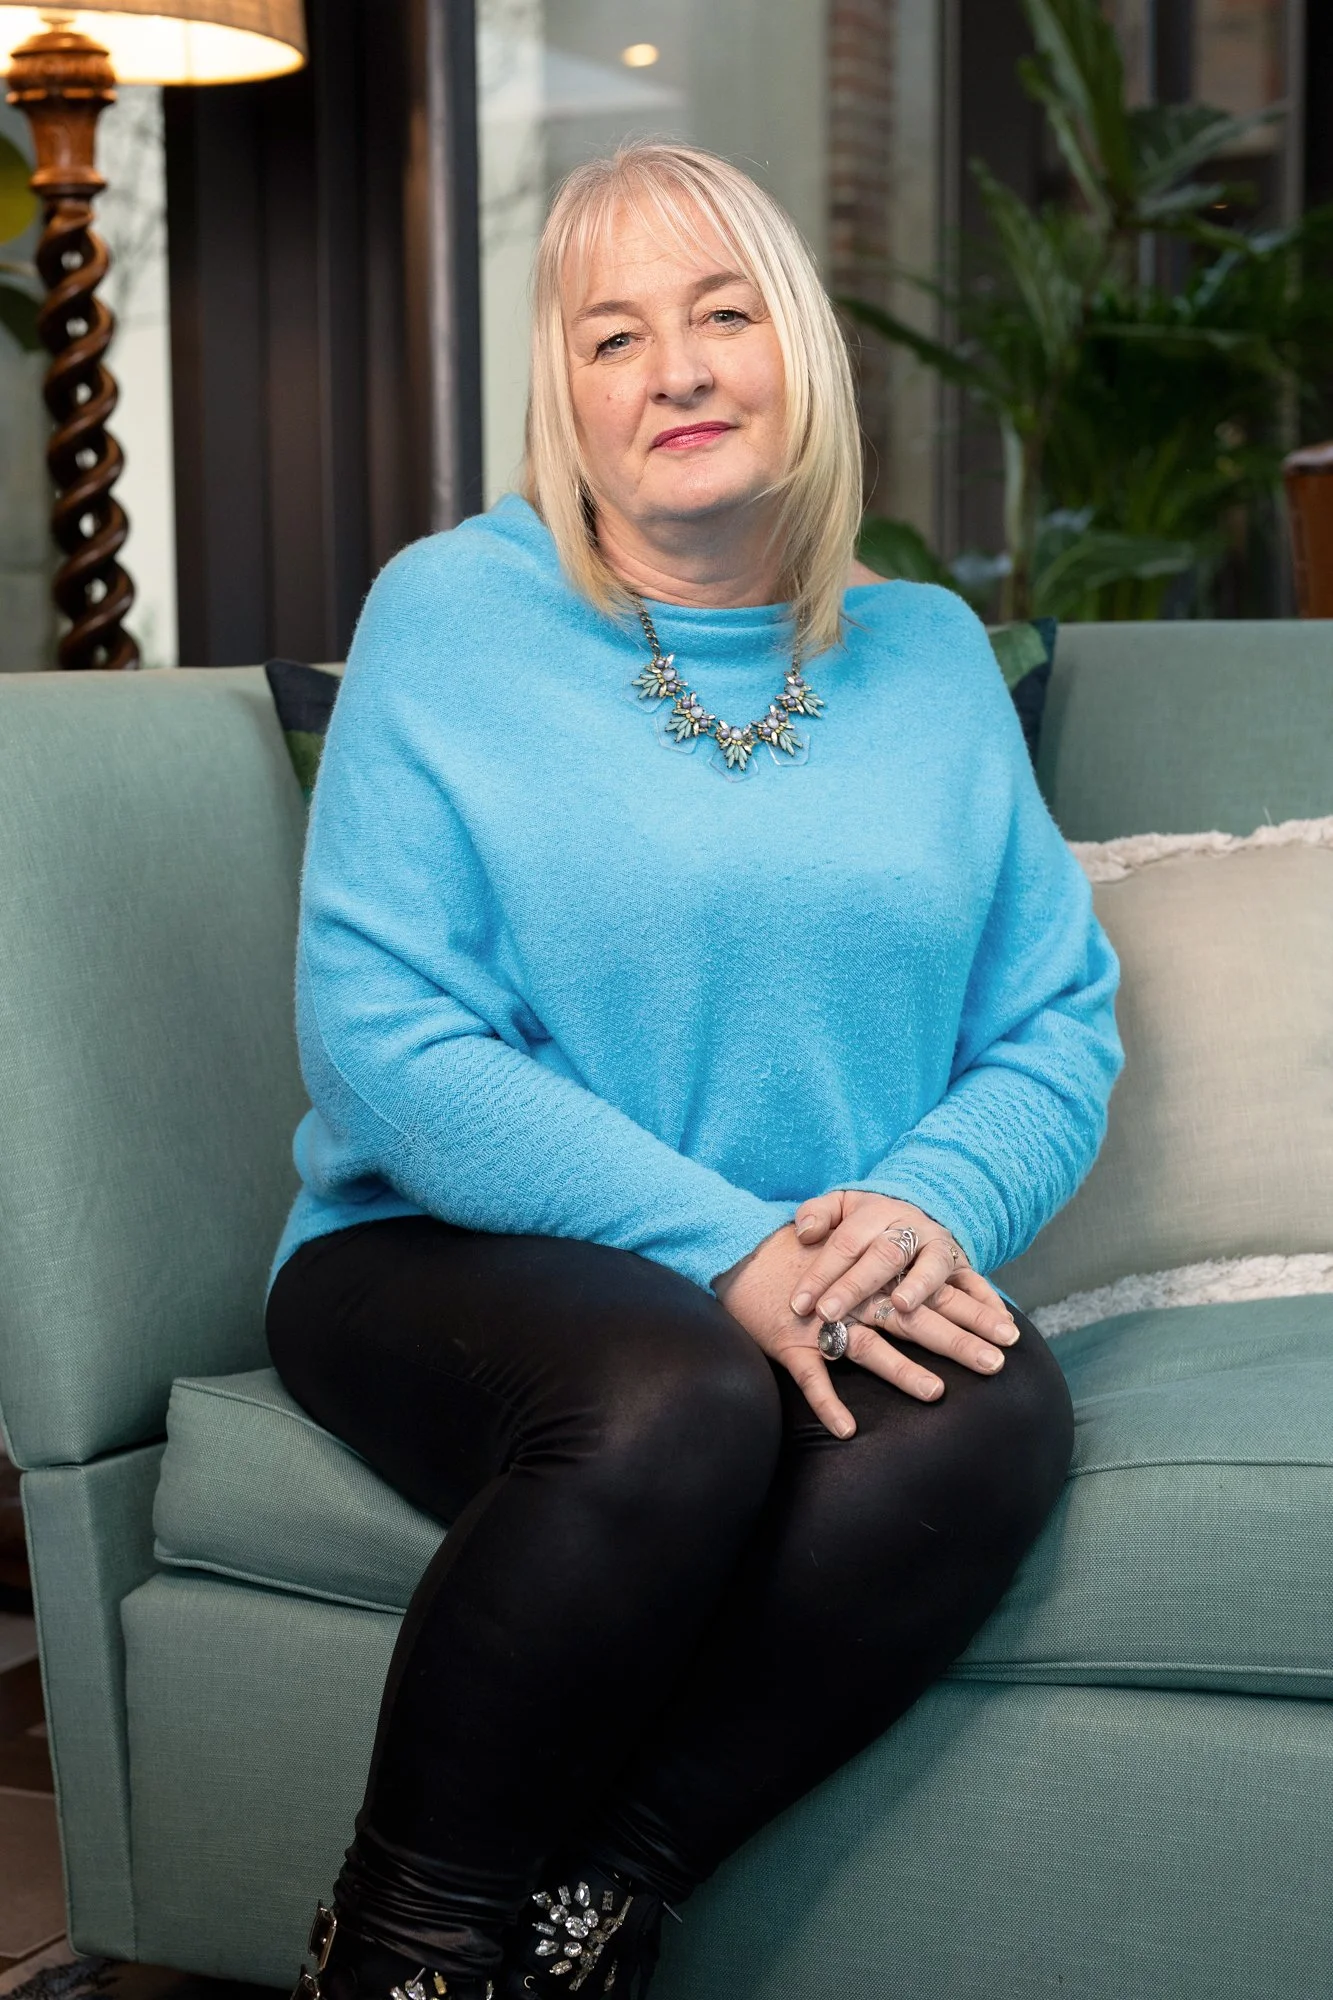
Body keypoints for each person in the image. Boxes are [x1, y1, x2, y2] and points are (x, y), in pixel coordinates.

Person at [265, 141, 1122, 2000]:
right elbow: (387, 1042)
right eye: (614, 335)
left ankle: (585, 1917)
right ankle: (399, 1950)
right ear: (564, 395)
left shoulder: (929, 654)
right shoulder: (450, 613)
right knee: (680, 1397)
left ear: (797, 348)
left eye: (724, 314)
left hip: (816, 1266)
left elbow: (1055, 1020)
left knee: (994, 1412)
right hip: (443, 1250)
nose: (678, 372)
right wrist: (728, 1251)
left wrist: (917, 1208)